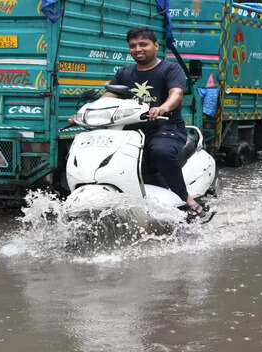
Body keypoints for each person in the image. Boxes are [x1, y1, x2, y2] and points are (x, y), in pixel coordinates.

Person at [72, 27, 202, 215]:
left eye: (143, 44)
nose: (138, 49)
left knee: (161, 152)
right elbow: (109, 96)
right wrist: (85, 113)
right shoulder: (124, 72)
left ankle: (186, 199)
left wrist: (163, 107)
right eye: (133, 46)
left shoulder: (170, 69)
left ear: (156, 46)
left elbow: (177, 93)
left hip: (166, 128)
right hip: (130, 132)